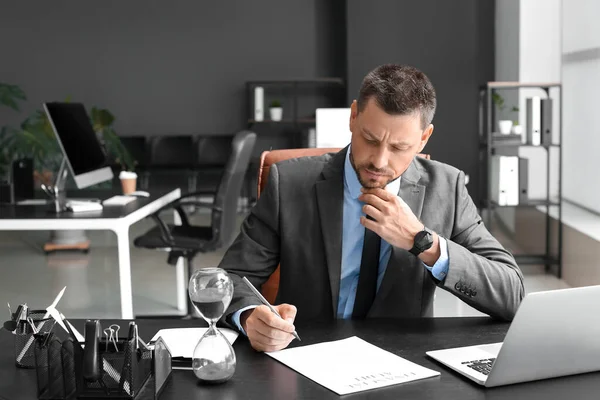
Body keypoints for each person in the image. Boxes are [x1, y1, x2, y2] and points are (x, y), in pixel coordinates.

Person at [218, 64, 524, 352]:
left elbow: (512, 294)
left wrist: (423, 242)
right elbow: (228, 278)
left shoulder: (448, 189)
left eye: (399, 148)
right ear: (353, 117)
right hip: (307, 355)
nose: (379, 161)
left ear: (423, 138)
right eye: (370, 138)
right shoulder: (290, 183)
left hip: (403, 363)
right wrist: (247, 318)